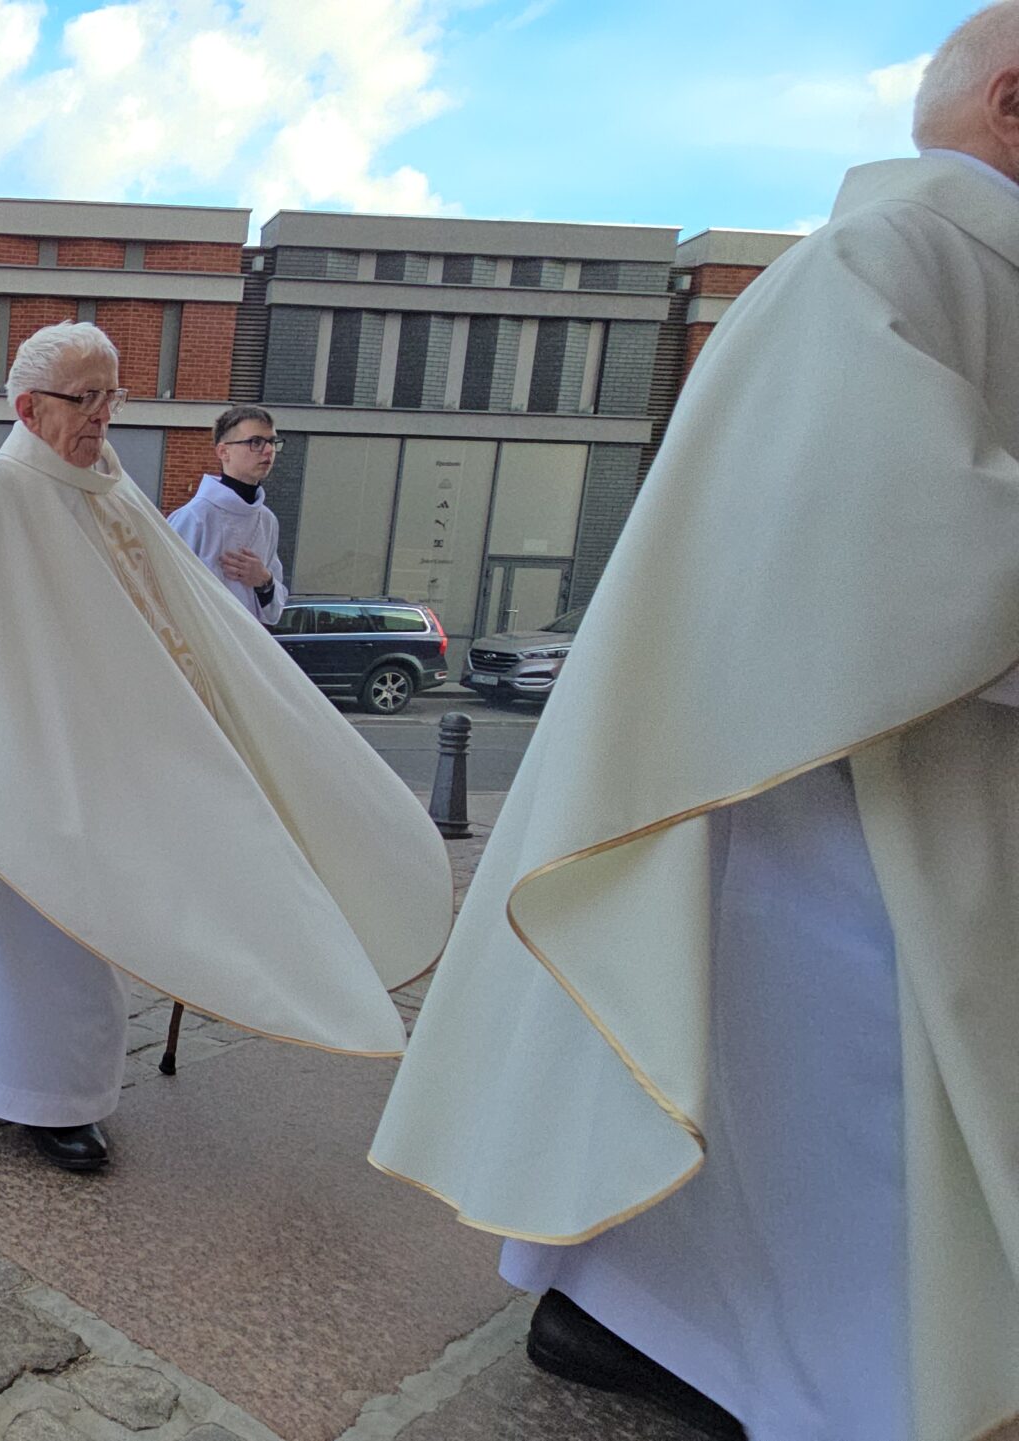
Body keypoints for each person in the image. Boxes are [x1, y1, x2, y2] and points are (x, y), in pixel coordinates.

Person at [370, 23, 1019, 1438]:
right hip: (839, 800)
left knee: (774, 1103)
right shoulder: (885, 260)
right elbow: (898, 542)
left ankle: (647, 1323)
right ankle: (777, 1368)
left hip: (866, 784)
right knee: (842, 1114)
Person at [0, 323, 448, 1168]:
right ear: (28, 408)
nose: (102, 415)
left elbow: (178, 610)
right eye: (84, 398)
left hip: (105, 752)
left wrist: (215, 701)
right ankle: (44, 1093)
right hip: (12, 755)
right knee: (41, 927)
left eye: (112, 396)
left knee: (76, 913)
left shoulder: (113, 493)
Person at [166, 406, 287, 625]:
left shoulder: (267, 520)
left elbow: (274, 613)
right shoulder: (193, 518)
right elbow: (167, 590)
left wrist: (264, 580)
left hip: (249, 637)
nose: (268, 450)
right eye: (256, 442)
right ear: (223, 452)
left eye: (272, 442)